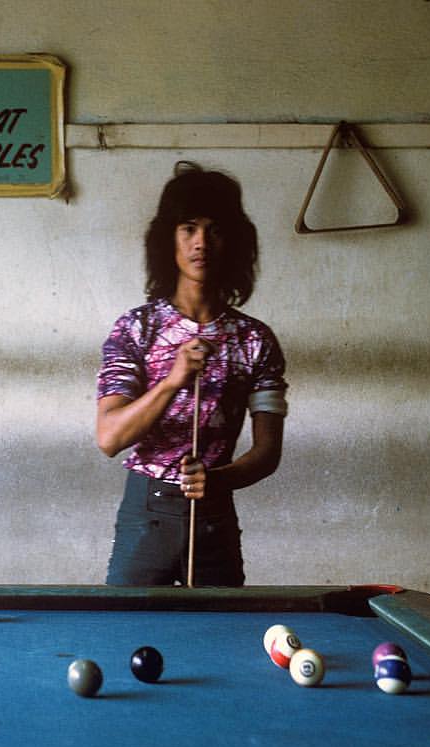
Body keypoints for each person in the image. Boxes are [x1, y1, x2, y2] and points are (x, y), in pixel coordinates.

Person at [96, 162, 288, 586]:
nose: (201, 242)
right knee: (125, 634)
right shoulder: (136, 329)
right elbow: (109, 437)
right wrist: (172, 380)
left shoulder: (256, 340)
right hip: (146, 515)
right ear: (169, 239)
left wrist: (218, 481)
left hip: (215, 519)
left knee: (222, 639)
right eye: (188, 228)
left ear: (233, 241)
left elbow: (267, 453)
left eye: (214, 229)